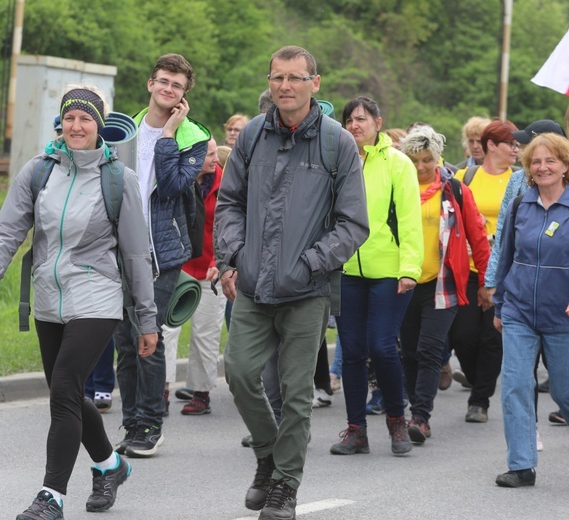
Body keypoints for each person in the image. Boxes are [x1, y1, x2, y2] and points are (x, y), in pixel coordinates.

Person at [0, 86, 158, 518]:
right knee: (68, 392)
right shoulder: (38, 171)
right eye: (70, 119)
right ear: (60, 123)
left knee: (63, 388)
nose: (76, 126)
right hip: (48, 297)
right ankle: (110, 465)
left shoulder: (119, 179)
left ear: (100, 125)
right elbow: (8, 231)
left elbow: (137, 254)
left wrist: (147, 318)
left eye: (86, 119)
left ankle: (51, 497)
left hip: (97, 297)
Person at [215, 45, 369, 520]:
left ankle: (285, 486)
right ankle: (268, 456)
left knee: (296, 394)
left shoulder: (337, 143)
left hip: (306, 290)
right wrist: (232, 259)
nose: (285, 86)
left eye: (295, 78)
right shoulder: (253, 137)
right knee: (239, 374)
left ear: (314, 84)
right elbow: (229, 203)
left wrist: (309, 264)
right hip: (254, 288)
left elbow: (353, 223)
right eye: (277, 77)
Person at [493, 132, 569, 487]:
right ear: (528, 167)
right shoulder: (519, 205)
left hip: (566, 314)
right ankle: (522, 466)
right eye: (535, 161)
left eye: (550, 161)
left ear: (565, 166)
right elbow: (506, 257)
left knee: (567, 392)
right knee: (515, 385)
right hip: (519, 312)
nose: (542, 167)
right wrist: (499, 303)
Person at [113, 53, 210, 458]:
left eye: (177, 86)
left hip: (162, 252)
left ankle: (152, 422)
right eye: (163, 82)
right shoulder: (122, 130)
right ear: (151, 84)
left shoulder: (193, 137)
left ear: (184, 95)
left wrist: (169, 133)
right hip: (117, 251)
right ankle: (133, 419)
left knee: (147, 338)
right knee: (122, 340)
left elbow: (170, 186)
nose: (168, 90)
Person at [329, 96, 423, 457]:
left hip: (389, 271)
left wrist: (410, 269)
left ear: (378, 123)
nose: (355, 125)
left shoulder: (397, 163)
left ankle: (397, 422)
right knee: (351, 350)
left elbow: (411, 220)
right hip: (346, 269)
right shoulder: (336, 161)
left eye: (362, 119)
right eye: (350, 120)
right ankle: (356, 431)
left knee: (382, 347)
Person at [484, 119, 569, 442]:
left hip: (562, 299)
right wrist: (493, 284)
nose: (528, 152)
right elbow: (503, 236)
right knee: (518, 375)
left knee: (564, 383)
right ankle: (527, 439)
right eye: (529, 148)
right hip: (520, 296)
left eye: (536, 145)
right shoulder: (516, 183)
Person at [399, 124, 489, 444]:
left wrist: (486, 281)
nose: (421, 167)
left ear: (438, 158)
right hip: (404, 283)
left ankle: (421, 417)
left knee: (430, 349)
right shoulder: (399, 187)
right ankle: (414, 407)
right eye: (414, 160)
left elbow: (478, 234)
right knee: (408, 351)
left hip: (444, 282)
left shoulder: (455, 190)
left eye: (427, 159)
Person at [450, 120, 518, 423]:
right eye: (511, 144)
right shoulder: (465, 176)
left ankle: (480, 401)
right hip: (467, 269)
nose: (517, 149)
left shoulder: (519, 181)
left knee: (492, 337)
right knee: (463, 335)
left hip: (504, 271)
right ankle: (479, 381)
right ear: (492, 145)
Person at [162, 138, 226, 415]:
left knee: (205, 332)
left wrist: (219, 262)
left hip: (212, 268)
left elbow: (230, 226)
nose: (215, 158)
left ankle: (201, 393)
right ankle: (160, 389)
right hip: (178, 268)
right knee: (165, 330)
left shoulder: (227, 183)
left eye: (215, 153)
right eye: (209, 154)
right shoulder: (177, 182)